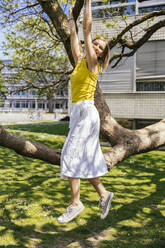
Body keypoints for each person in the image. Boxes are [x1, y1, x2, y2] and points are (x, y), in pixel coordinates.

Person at [58, 0, 113, 224]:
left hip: (87, 113)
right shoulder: (80, 60)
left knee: (69, 155)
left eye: (100, 47)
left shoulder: (92, 63)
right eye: (95, 45)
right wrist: (71, 17)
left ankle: (75, 203)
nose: (96, 47)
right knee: (85, 160)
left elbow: (87, 30)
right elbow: (75, 36)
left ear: (100, 54)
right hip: (79, 114)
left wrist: (88, 2)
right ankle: (104, 194)